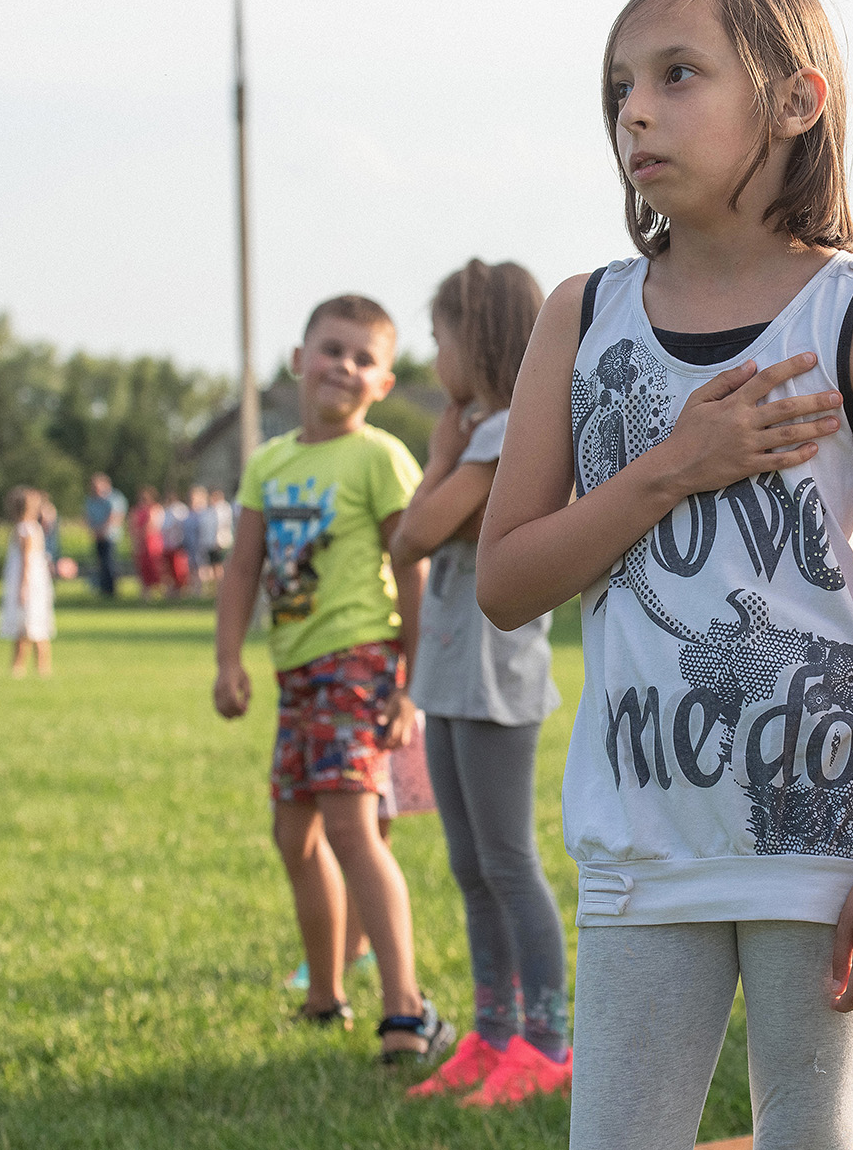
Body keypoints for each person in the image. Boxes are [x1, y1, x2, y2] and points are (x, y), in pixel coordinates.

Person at [475, 0, 853, 1148]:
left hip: (821, 834)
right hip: (642, 836)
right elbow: (506, 582)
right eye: (620, 87)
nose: (635, 111)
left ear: (796, 100)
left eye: (678, 75)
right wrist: (675, 465)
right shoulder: (582, 313)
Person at [212, 293, 454, 1064]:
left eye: (363, 358)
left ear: (384, 383)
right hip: (295, 674)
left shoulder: (379, 457)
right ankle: (324, 996)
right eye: (331, 349)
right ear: (297, 360)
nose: (344, 367)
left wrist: (411, 680)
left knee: (353, 828)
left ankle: (405, 1010)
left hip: (359, 662)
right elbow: (242, 567)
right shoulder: (268, 463)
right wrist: (227, 660)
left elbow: (411, 568)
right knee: (294, 836)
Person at [389, 259, 570, 1106]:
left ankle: (547, 1042)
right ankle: (493, 1033)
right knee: (470, 864)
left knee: (507, 859)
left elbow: (412, 537)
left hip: (495, 676)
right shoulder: (481, 434)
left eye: (440, 340)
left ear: (481, 339)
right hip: (452, 669)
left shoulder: (503, 437)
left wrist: (438, 457)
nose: (435, 361)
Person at [0, 486, 56, 678]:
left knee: (26, 626)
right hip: (36, 583)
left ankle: (20, 667)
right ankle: (41, 667)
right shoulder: (34, 528)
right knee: (35, 625)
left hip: (27, 583)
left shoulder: (24, 530)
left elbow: (26, 561)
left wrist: (22, 587)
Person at [83, 473, 126, 598]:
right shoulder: (91, 500)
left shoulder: (114, 498)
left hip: (110, 536)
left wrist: (102, 530)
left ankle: (111, 590)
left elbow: (115, 516)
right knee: (100, 563)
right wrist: (94, 530)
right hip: (97, 535)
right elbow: (87, 516)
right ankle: (103, 588)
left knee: (109, 563)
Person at [129, 487, 165, 601]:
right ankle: (145, 591)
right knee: (142, 566)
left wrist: (142, 534)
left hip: (151, 541)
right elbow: (132, 525)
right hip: (140, 542)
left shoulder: (155, 509)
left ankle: (159, 590)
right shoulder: (136, 510)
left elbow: (152, 525)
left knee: (154, 565)